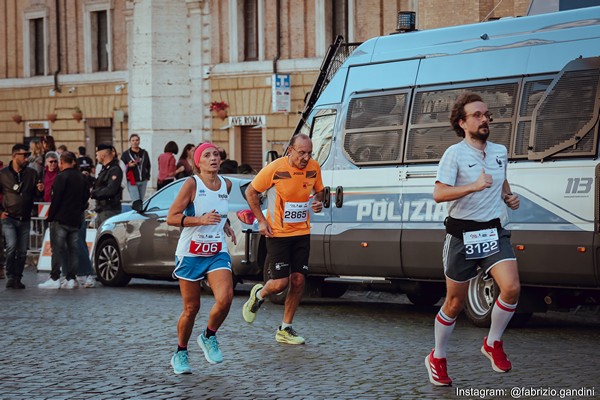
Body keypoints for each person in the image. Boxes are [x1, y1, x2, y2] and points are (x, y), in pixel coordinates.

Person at [425, 93, 521, 386]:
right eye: (477, 115)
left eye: (486, 114)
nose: (484, 119)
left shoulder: (499, 151)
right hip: (461, 235)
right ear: (462, 122)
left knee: (512, 288)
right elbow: (439, 194)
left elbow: (500, 178)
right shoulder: (454, 153)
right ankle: (437, 357)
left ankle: (493, 343)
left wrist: (508, 196)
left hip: (493, 231)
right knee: (454, 303)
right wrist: (473, 186)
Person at [242, 133, 324, 344]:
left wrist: (317, 201)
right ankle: (259, 294)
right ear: (290, 150)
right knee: (279, 283)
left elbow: (320, 193)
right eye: (301, 153)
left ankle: (285, 328)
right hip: (277, 233)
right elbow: (251, 192)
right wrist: (261, 220)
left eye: (309, 153)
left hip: (302, 232)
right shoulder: (275, 168)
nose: (305, 158)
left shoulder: (314, 167)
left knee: (298, 281)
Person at [166, 142, 237, 374]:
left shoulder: (226, 184)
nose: (213, 158)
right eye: (207, 155)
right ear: (198, 162)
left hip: (216, 251)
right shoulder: (191, 184)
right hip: (191, 253)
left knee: (226, 298)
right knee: (191, 308)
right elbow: (172, 217)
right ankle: (181, 352)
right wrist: (200, 220)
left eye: (216, 154)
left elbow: (218, 209)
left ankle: (208, 336)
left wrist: (224, 224)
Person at [38, 152, 89, 289]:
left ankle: (55, 278)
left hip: (61, 219)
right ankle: (71, 278)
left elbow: (56, 199)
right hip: (75, 218)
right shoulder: (81, 177)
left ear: (61, 162)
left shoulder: (61, 177)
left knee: (57, 249)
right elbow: (86, 197)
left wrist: (51, 217)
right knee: (74, 249)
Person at [0, 144, 44, 289]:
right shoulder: (3, 174)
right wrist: (1, 211)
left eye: (27, 155)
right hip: (9, 217)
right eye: (24, 155)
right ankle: (10, 276)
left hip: (25, 218)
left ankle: (18, 277)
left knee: (22, 250)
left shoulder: (31, 173)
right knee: (11, 247)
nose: (27, 158)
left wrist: (39, 190)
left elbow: (37, 195)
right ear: (14, 156)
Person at [91, 144, 123, 228]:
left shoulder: (114, 170)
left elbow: (110, 190)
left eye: (97, 155)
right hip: (102, 209)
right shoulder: (105, 169)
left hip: (110, 209)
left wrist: (93, 193)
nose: (96, 157)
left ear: (103, 155)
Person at [121, 134, 151, 202]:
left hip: (143, 180)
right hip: (132, 180)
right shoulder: (125, 154)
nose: (135, 142)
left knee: (141, 200)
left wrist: (147, 176)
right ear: (130, 142)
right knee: (136, 200)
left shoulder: (144, 153)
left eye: (137, 140)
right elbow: (121, 167)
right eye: (133, 140)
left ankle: (139, 212)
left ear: (139, 141)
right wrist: (128, 166)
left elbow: (148, 165)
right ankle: (135, 211)